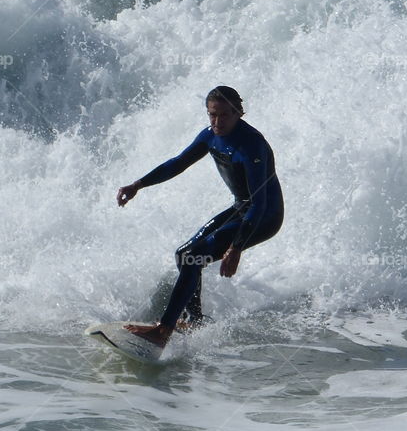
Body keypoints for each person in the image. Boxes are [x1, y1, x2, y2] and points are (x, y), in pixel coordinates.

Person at [116, 86, 283, 347]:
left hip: (265, 216)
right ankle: (194, 321)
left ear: (238, 113)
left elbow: (259, 203)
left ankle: (163, 330)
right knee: (185, 255)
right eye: (212, 115)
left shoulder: (252, 145)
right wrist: (138, 184)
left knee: (194, 257)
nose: (217, 122)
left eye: (224, 115)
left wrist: (236, 247)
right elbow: (178, 163)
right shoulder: (210, 136)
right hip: (241, 208)